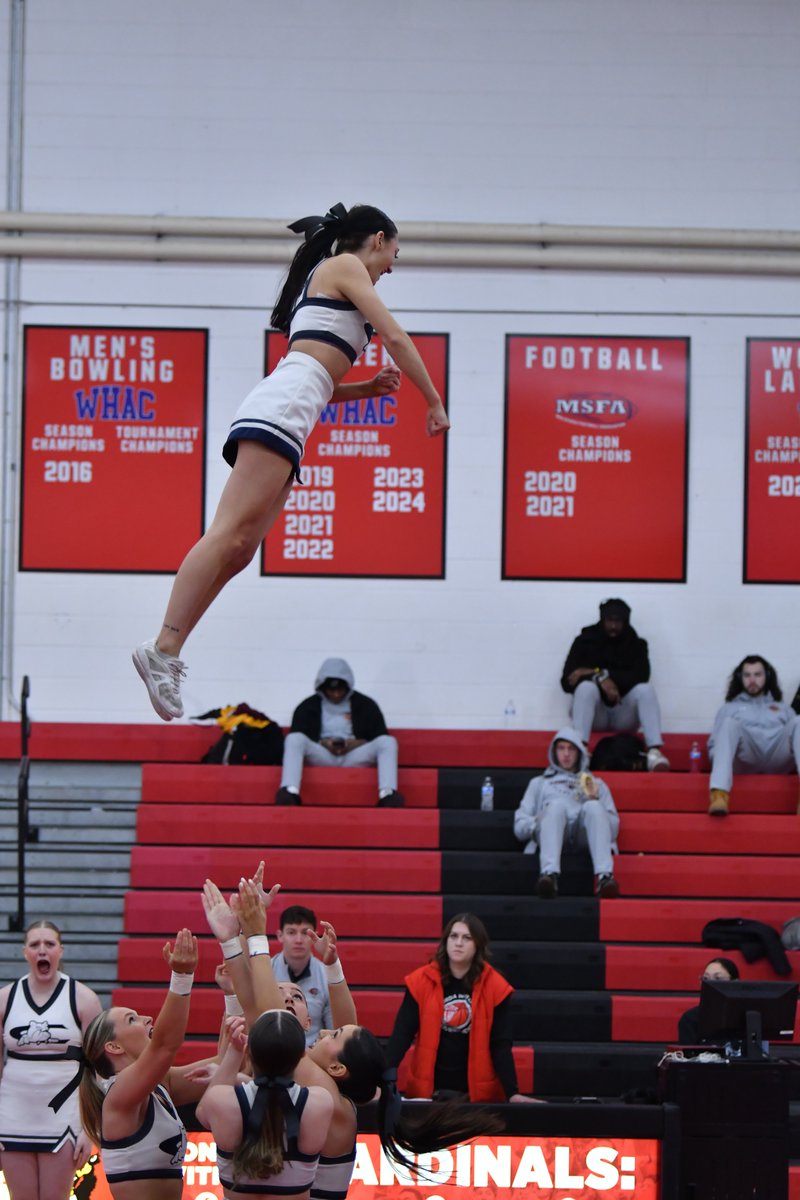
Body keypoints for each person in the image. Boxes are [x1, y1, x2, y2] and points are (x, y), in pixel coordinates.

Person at [132, 203, 449, 722]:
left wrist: (367, 388)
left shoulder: (335, 280)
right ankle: (162, 648)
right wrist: (433, 401)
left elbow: (318, 375)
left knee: (239, 550)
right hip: (282, 407)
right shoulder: (345, 266)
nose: (394, 263)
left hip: (296, 409)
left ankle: (168, 650)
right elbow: (395, 336)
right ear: (377, 238)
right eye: (395, 250)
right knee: (225, 534)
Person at [206, 873, 502, 1194]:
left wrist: (251, 935)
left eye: (332, 1035)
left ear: (337, 1066)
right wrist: (330, 965)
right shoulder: (333, 1089)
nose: (325, 1031)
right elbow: (340, 1028)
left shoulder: (325, 1096)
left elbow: (264, 1016)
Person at [79, 928, 243, 1199]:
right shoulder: (120, 1095)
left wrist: (232, 995)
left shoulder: (160, 1085)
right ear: (114, 1047)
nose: (146, 1018)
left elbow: (227, 1064)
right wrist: (182, 976)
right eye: (132, 1019)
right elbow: (165, 1046)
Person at [0, 919, 102, 1200]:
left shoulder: (84, 998)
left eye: (49, 944)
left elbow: (98, 1069)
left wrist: (89, 1130)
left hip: (65, 1118)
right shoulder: (5, 999)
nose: (42, 950)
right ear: (25, 953)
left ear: (61, 951)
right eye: (35, 945)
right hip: (12, 1116)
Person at [385, 912, 536, 1103]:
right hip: (429, 1092)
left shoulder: (496, 987)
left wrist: (512, 1092)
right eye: (453, 936)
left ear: (478, 945)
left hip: (475, 1096)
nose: (458, 943)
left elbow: (501, 1045)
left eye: (467, 938)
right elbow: (401, 1035)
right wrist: (382, 1082)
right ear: (445, 940)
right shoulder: (420, 982)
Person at [196, 1009, 333, 1199]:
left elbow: (203, 1111)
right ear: (302, 1054)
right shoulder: (319, 1102)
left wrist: (234, 1054)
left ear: (249, 1050)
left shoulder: (221, 1101)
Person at [276, 658, 404, 807]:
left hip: (353, 755)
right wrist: (323, 743)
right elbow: (300, 732)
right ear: (323, 687)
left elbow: (379, 734)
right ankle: (290, 791)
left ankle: (388, 794)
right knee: (294, 739)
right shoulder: (308, 706)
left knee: (388, 742)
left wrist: (356, 743)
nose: (336, 694)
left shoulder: (365, 705)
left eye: (340, 689)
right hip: (323, 754)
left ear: (348, 686)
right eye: (331, 690)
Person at [560, 598, 670, 771]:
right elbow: (567, 682)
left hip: (622, 712)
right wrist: (598, 677)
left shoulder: (637, 644)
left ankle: (654, 752)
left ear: (625, 622)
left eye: (618, 621)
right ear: (602, 620)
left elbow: (641, 676)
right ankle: (581, 750)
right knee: (585, 688)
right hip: (595, 714)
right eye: (609, 620)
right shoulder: (585, 641)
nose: (613, 626)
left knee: (645, 690)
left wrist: (601, 674)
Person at [514, 728, 621, 899]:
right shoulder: (539, 783)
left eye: (571, 749)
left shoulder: (597, 783)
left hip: (584, 836)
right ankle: (549, 876)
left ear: (579, 753)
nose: (566, 754)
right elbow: (519, 825)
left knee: (594, 807)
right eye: (561, 748)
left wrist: (595, 798)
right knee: (556, 807)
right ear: (554, 751)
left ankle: (604, 878)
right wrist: (542, 821)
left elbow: (614, 829)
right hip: (552, 833)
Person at [707, 655, 800, 816]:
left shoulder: (783, 708)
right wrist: (723, 760)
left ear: (767, 677)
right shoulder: (728, 709)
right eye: (747, 675)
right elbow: (714, 747)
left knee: (799, 720)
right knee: (729, 723)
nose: (752, 680)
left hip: (777, 757)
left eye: (758, 674)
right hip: (744, 758)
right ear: (740, 678)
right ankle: (719, 795)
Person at [271, 905, 334, 1046]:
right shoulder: (265, 972)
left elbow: (334, 1031)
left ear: (314, 937)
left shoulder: (327, 975)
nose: (299, 940)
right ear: (280, 936)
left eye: (305, 933)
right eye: (291, 932)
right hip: (271, 1053)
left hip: (314, 1055)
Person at [677, 957, 740, 1044]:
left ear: (735, 983)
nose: (710, 984)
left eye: (718, 978)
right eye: (706, 979)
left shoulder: (747, 1018)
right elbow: (687, 1055)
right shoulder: (690, 1018)